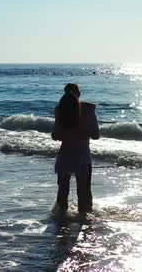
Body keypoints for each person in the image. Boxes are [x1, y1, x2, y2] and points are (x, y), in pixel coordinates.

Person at [52, 83, 100, 214]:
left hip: (65, 153)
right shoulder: (88, 110)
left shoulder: (59, 109)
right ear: (79, 93)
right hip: (82, 155)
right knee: (84, 189)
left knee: (62, 189)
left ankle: (61, 218)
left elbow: (55, 135)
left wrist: (67, 133)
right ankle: (85, 217)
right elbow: (96, 135)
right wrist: (85, 132)